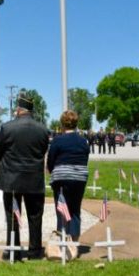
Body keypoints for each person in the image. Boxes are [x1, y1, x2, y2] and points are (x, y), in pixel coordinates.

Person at [0, 93, 49, 260]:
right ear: (30, 111)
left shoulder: (7, 128)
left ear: (18, 109)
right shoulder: (42, 130)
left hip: (11, 178)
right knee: (35, 216)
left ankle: (13, 249)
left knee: (12, 216)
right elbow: (42, 151)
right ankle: (34, 250)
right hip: (34, 178)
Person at [47, 110, 90, 260]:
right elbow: (85, 159)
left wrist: (53, 172)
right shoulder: (83, 141)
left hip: (61, 178)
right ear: (76, 123)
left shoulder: (57, 141)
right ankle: (75, 245)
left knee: (61, 210)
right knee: (75, 210)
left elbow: (50, 161)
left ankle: (63, 245)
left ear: (62, 124)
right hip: (79, 178)